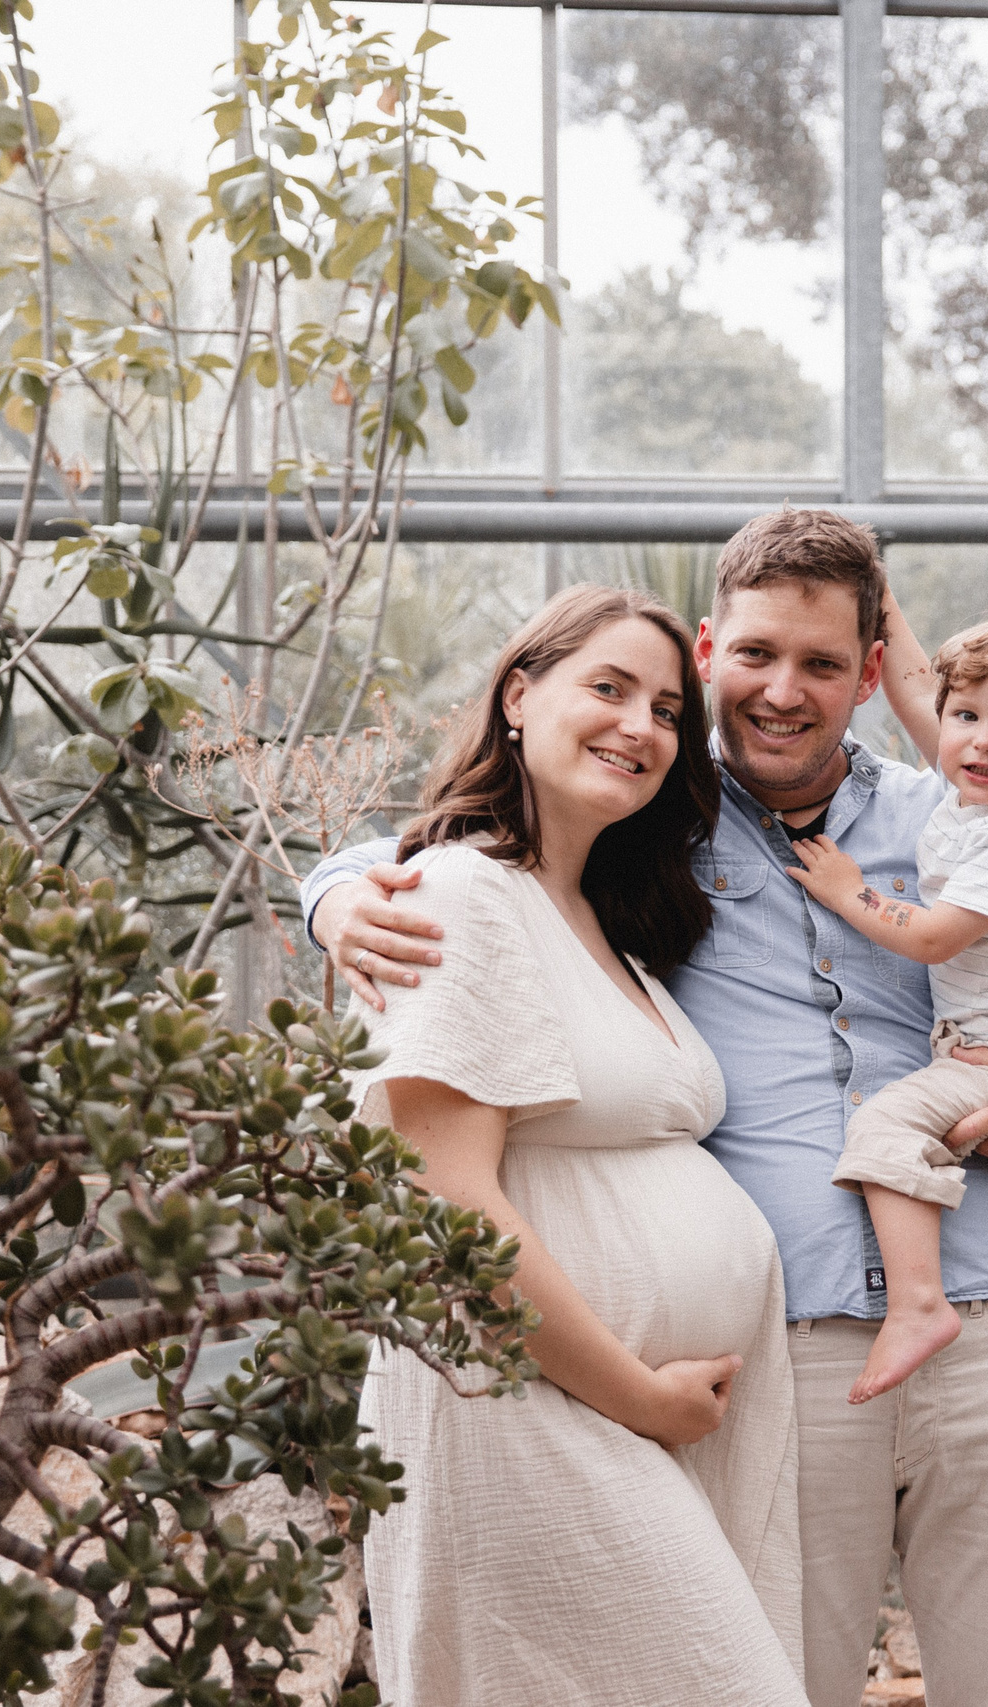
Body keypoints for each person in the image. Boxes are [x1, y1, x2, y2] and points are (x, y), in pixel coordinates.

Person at [310, 511, 988, 1707]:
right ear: (709, 650)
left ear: (869, 676)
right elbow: (470, 854)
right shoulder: (643, 823)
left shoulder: (960, 814)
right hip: (789, 1357)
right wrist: (333, 894)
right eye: (756, 655)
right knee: (779, 1683)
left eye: (821, 664)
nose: (784, 692)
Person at [341, 584, 808, 1706]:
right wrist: (642, 1398)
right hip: (525, 1409)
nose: (639, 726)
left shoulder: (601, 916)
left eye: (666, 709)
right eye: (608, 687)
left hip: (624, 1418)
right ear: (517, 695)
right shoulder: (461, 892)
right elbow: (445, 1204)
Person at [784, 613, 988, 1421]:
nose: (983, 741)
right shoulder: (982, 794)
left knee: (885, 1126)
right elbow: (918, 691)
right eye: (966, 716)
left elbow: (934, 937)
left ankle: (918, 1304)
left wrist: (850, 892)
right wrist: (882, 604)